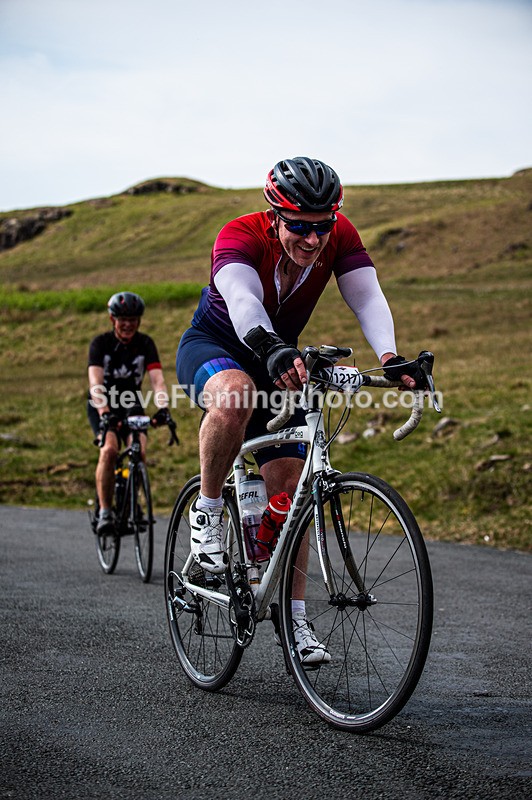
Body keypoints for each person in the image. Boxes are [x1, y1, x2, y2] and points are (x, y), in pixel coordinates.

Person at [176, 156, 426, 665]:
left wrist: (390, 358)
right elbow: (243, 300)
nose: (312, 240)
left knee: (291, 491)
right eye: (299, 227)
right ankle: (207, 513)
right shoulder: (240, 235)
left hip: (280, 358)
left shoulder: (339, 236)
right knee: (236, 394)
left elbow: (367, 297)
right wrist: (269, 345)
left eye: (322, 227)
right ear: (274, 215)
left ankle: (294, 621)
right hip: (218, 345)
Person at [88, 291, 174, 535]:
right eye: (122, 319)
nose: (128, 324)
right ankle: (105, 510)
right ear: (112, 319)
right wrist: (105, 412)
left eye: (133, 320)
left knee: (140, 450)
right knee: (110, 450)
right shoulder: (100, 344)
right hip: (101, 404)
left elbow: (157, 381)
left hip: (131, 404)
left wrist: (163, 408)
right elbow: (95, 383)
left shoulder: (145, 344)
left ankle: (132, 501)